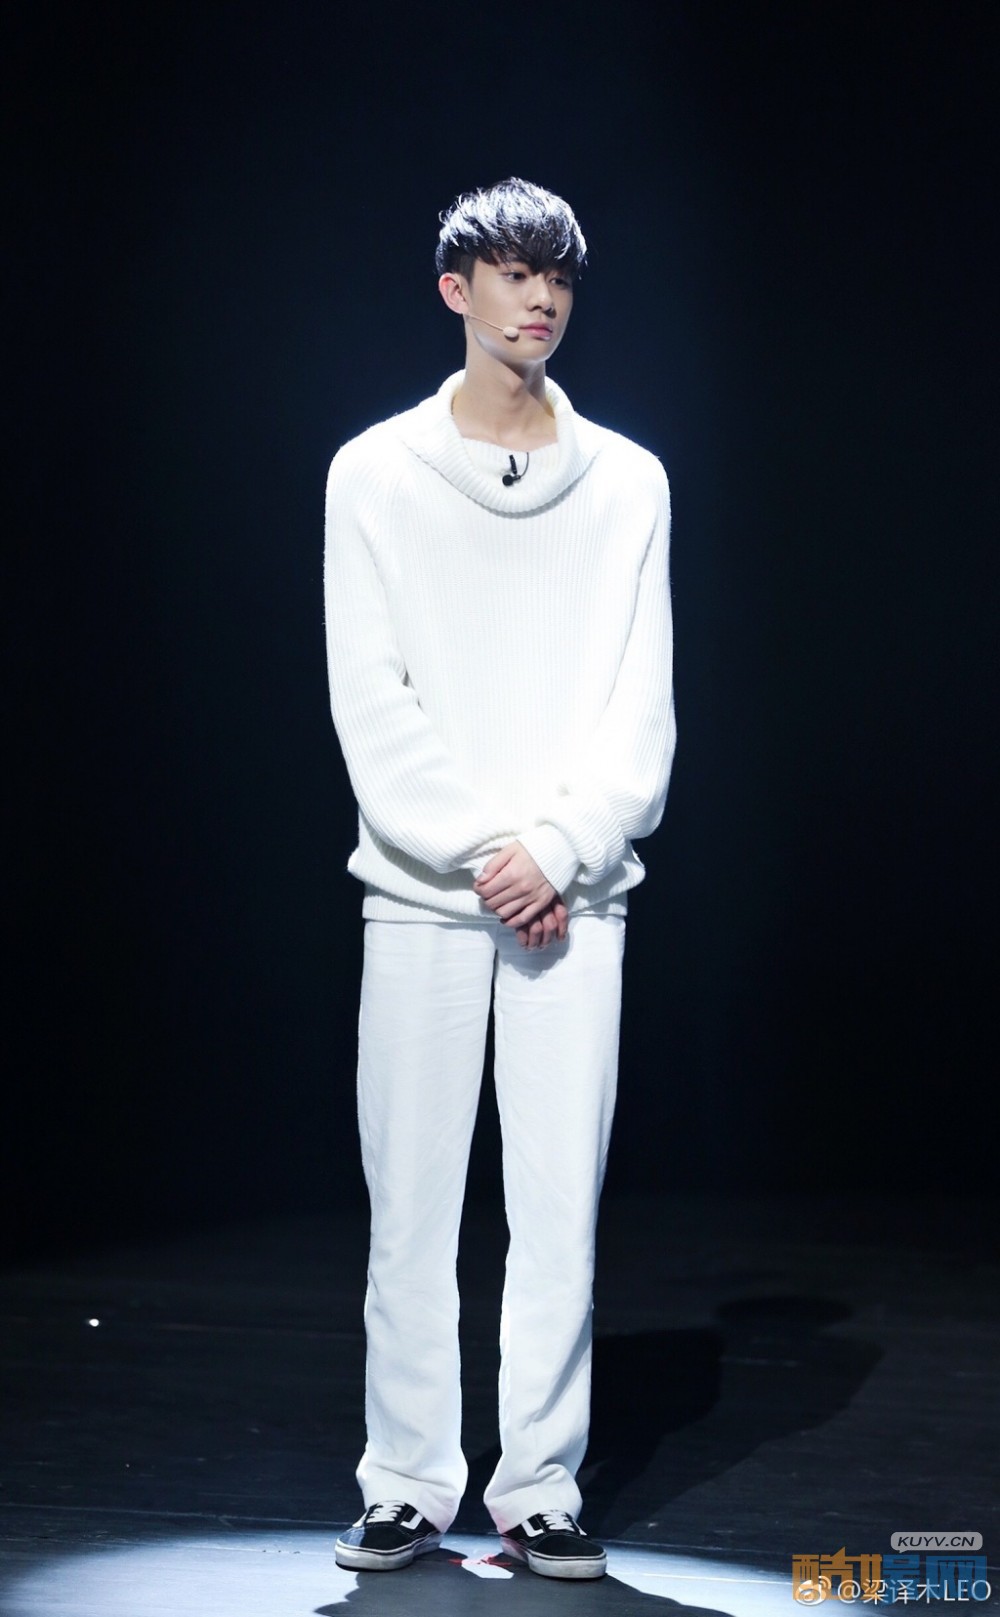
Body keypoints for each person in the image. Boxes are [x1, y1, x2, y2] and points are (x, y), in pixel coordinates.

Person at [324, 177, 675, 1581]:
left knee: (557, 1207)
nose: (541, 299)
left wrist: (558, 850)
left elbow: (641, 711)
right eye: (516, 273)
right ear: (454, 290)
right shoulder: (373, 473)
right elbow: (372, 703)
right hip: (424, 895)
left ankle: (540, 1483)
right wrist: (487, 853)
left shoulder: (631, 482)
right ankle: (406, 1477)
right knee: (411, 1205)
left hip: (574, 901)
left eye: (560, 277)